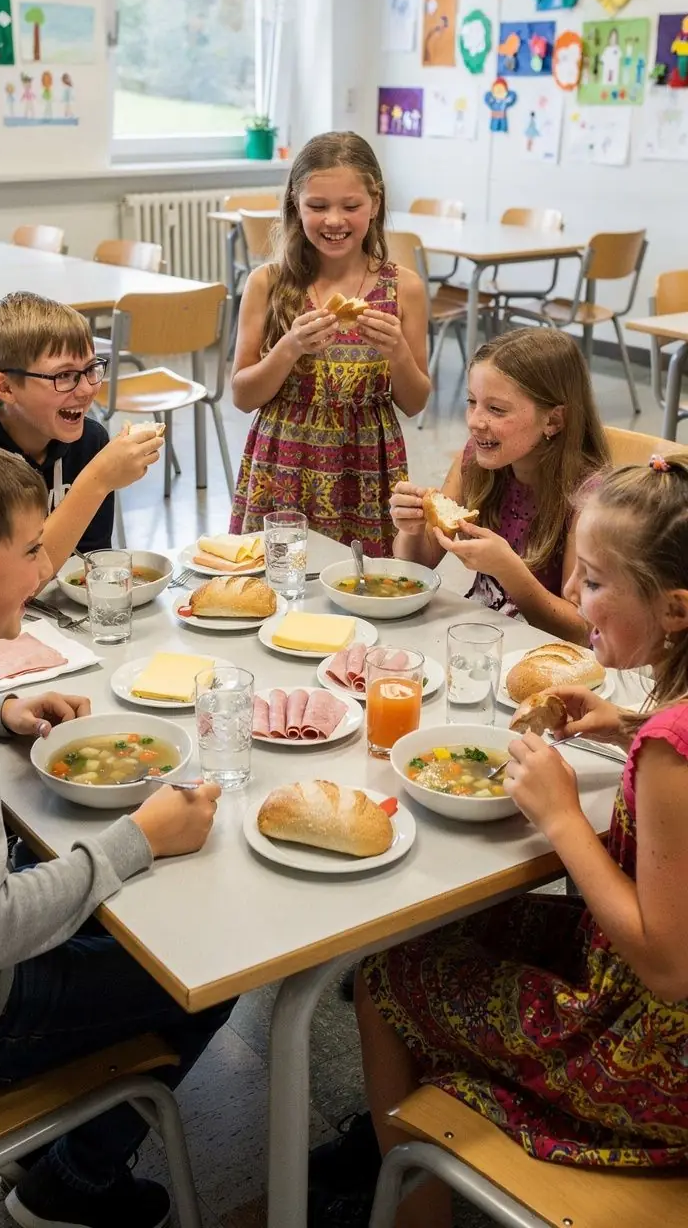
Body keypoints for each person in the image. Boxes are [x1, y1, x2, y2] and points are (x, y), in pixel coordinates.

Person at [313, 452, 688, 1227]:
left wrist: (558, 817)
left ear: (676, 609)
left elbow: (666, 964)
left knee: (388, 975)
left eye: (591, 582)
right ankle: (415, 1124)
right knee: (457, 928)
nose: (575, 602)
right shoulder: (660, 732)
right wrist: (623, 726)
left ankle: (416, 1206)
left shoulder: (672, 754)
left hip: (656, 1059)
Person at [0, 433, 228, 1228]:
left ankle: (60, 1133)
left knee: (122, 937)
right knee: (203, 971)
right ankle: (72, 1185)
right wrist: (141, 837)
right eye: (31, 550)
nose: (46, 569)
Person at [229, 131, 430, 555]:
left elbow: (414, 402)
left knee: (364, 589)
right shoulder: (267, 284)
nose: (333, 220)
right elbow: (243, 395)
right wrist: (289, 348)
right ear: (295, 206)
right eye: (317, 206)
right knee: (280, 581)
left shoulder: (404, 288)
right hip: (284, 460)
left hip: (367, 464)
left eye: (351, 206)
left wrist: (397, 354)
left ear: (374, 204)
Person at [391, 328, 608, 641]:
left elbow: (582, 632)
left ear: (554, 421)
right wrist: (411, 530)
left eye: (496, 409)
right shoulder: (475, 461)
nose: (474, 421)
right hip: (479, 638)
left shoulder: (589, 498)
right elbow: (417, 564)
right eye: (471, 402)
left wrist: (509, 571)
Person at [0, 292, 163, 575]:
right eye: (63, 376)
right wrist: (98, 480)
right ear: (6, 388)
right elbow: (8, 586)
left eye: (91, 368)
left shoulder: (89, 441)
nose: (87, 390)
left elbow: (87, 568)